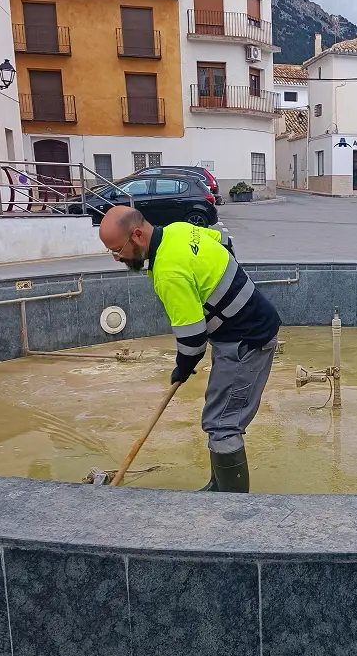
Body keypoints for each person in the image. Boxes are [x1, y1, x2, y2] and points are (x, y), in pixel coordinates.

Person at [98, 206, 281, 493]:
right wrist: (222, 290)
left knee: (222, 425)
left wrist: (182, 368)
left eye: (118, 250)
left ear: (138, 235)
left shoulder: (168, 272)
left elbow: (193, 338)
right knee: (217, 414)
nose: (117, 258)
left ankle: (232, 504)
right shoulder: (178, 231)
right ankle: (217, 486)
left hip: (246, 340)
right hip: (244, 328)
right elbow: (223, 241)